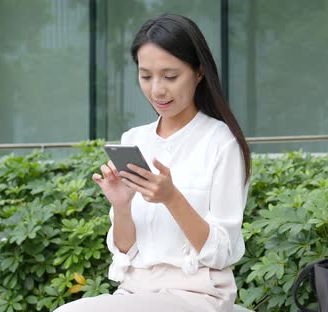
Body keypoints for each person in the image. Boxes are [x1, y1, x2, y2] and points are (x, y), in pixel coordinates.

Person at [55, 13, 251, 312]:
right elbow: (125, 251)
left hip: (199, 294)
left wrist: (171, 198)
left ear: (199, 73)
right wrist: (121, 206)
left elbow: (222, 252)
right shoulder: (134, 139)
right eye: (146, 76)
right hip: (135, 291)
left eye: (170, 76)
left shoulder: (221, 142)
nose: (157, 89)